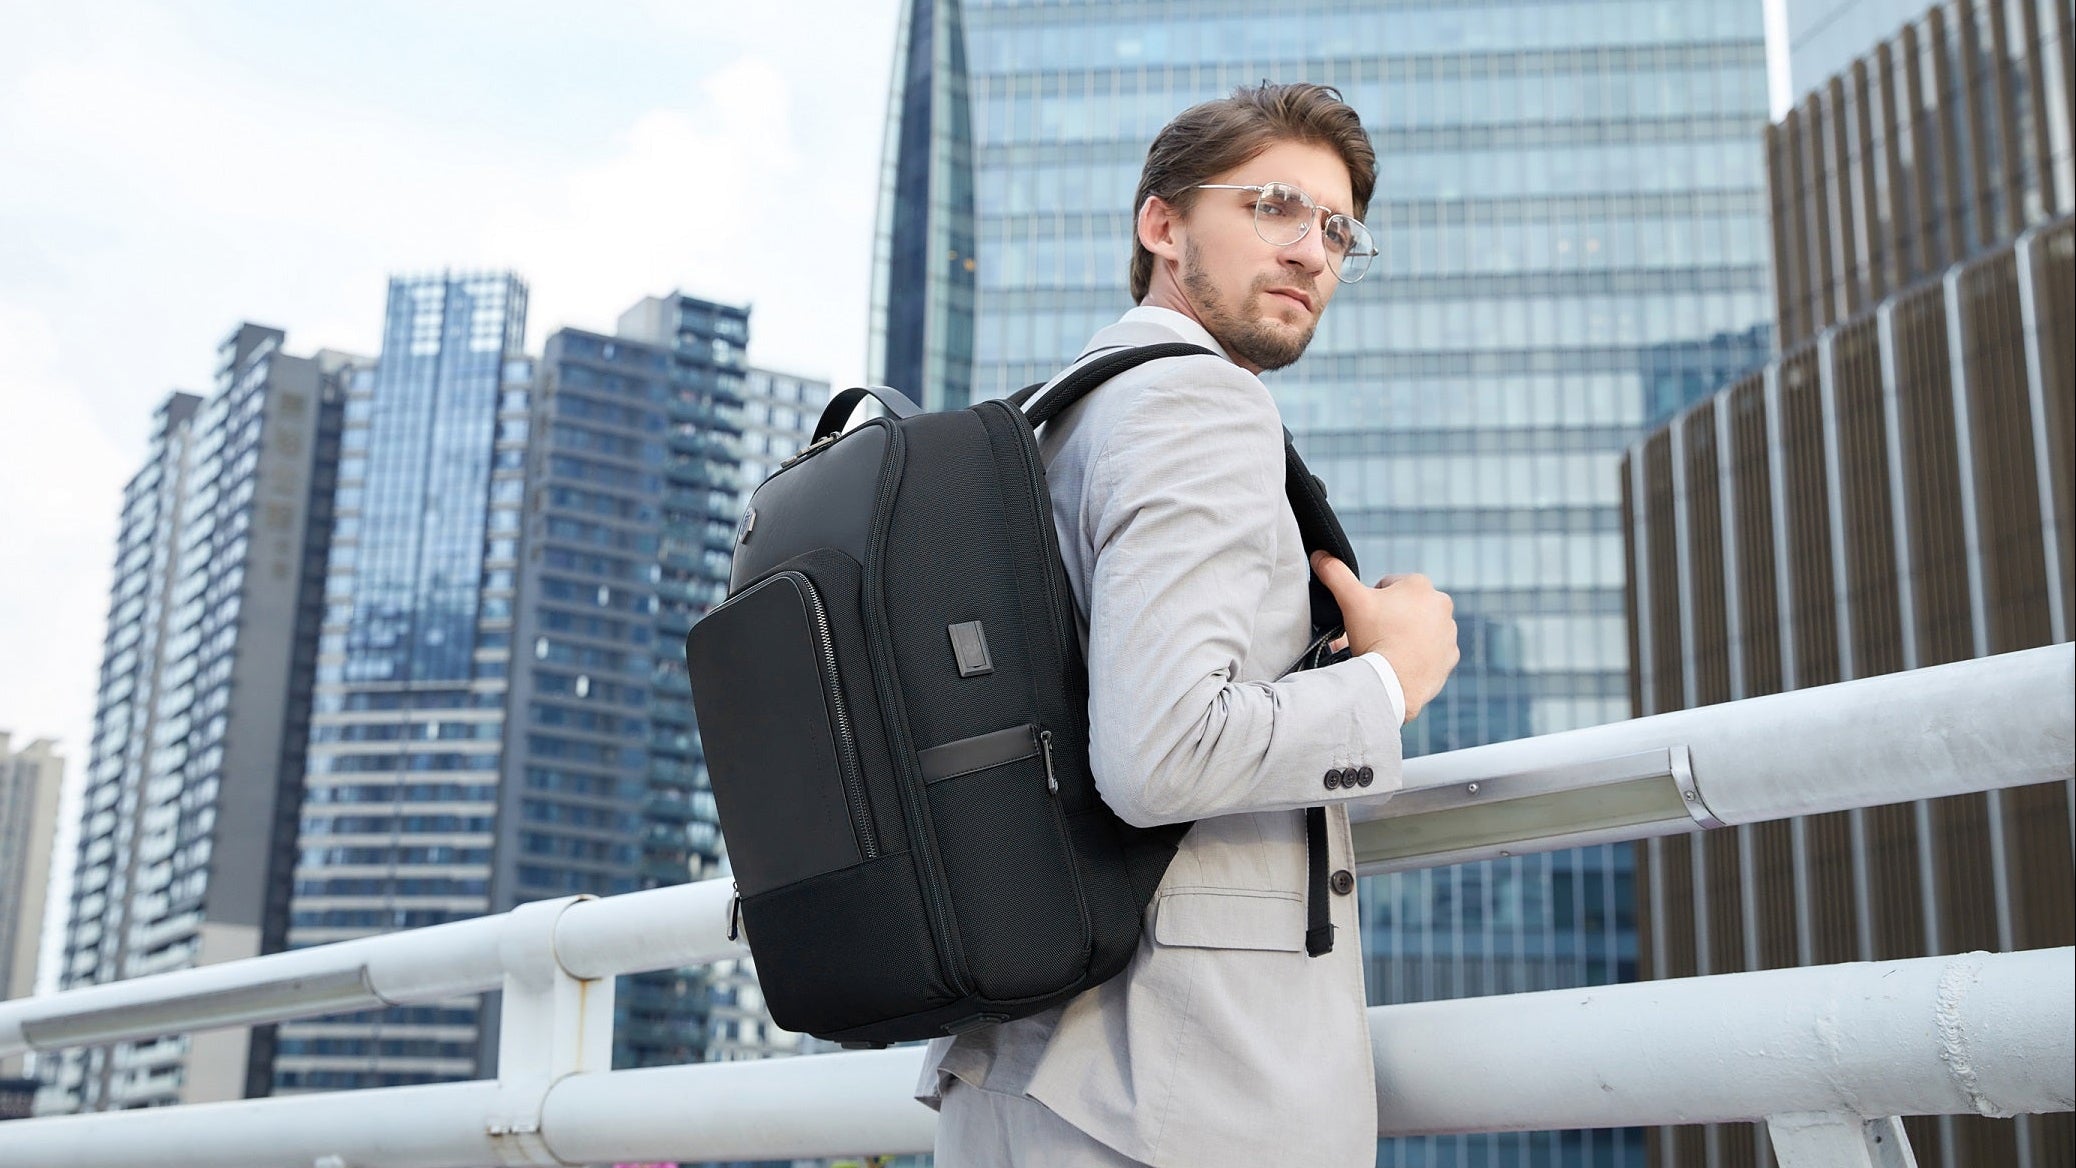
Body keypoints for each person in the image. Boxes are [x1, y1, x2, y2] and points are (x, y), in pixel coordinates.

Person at [915, 82, 1462, 1166]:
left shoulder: (1054, 418)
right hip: (1172, 1092)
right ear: (1163, 225)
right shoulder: (1196, 402)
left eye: (1340, 229)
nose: (1313, 250)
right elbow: (1161, 755)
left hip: (1038, 1066)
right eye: (1272, 207)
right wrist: (1390, 680)